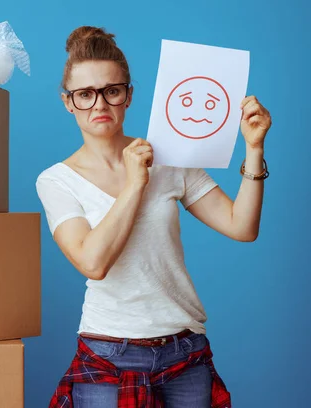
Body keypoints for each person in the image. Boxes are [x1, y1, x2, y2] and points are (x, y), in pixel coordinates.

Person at [36, 26, 271, 408]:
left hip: (184, 350)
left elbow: (242, 226)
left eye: (111, 91)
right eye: (84, 95)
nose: (99, 104)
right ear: (68, 102)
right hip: (109, 353)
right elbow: (93, 262)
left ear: (128, 95)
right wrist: (134, 183)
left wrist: (255, 147)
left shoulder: (171, 155)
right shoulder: (56, 180)